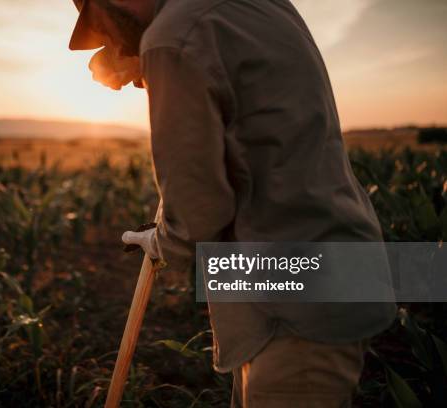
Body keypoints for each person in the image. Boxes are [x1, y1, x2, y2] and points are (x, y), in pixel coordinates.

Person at [68, 1, 396, 406]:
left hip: (286, 303)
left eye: (94, 17)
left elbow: (198, 213)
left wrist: (161, 243)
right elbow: (240, 101)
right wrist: (147, 68)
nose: (101, 35)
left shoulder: (172, 37)